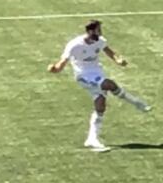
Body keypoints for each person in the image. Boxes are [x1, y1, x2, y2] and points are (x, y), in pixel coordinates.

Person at [48, 20, 151, 151]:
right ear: (90, 31)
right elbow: (63, 62)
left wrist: (118, 60)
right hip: (83, 76)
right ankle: (136, 102)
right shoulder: (74, 45)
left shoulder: (100, 40)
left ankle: (92, 139)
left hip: (97, 73)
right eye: (98, 30)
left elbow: (109, 51)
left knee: (100, 106)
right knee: (109, 84)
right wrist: (55, 69)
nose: (100, 33)